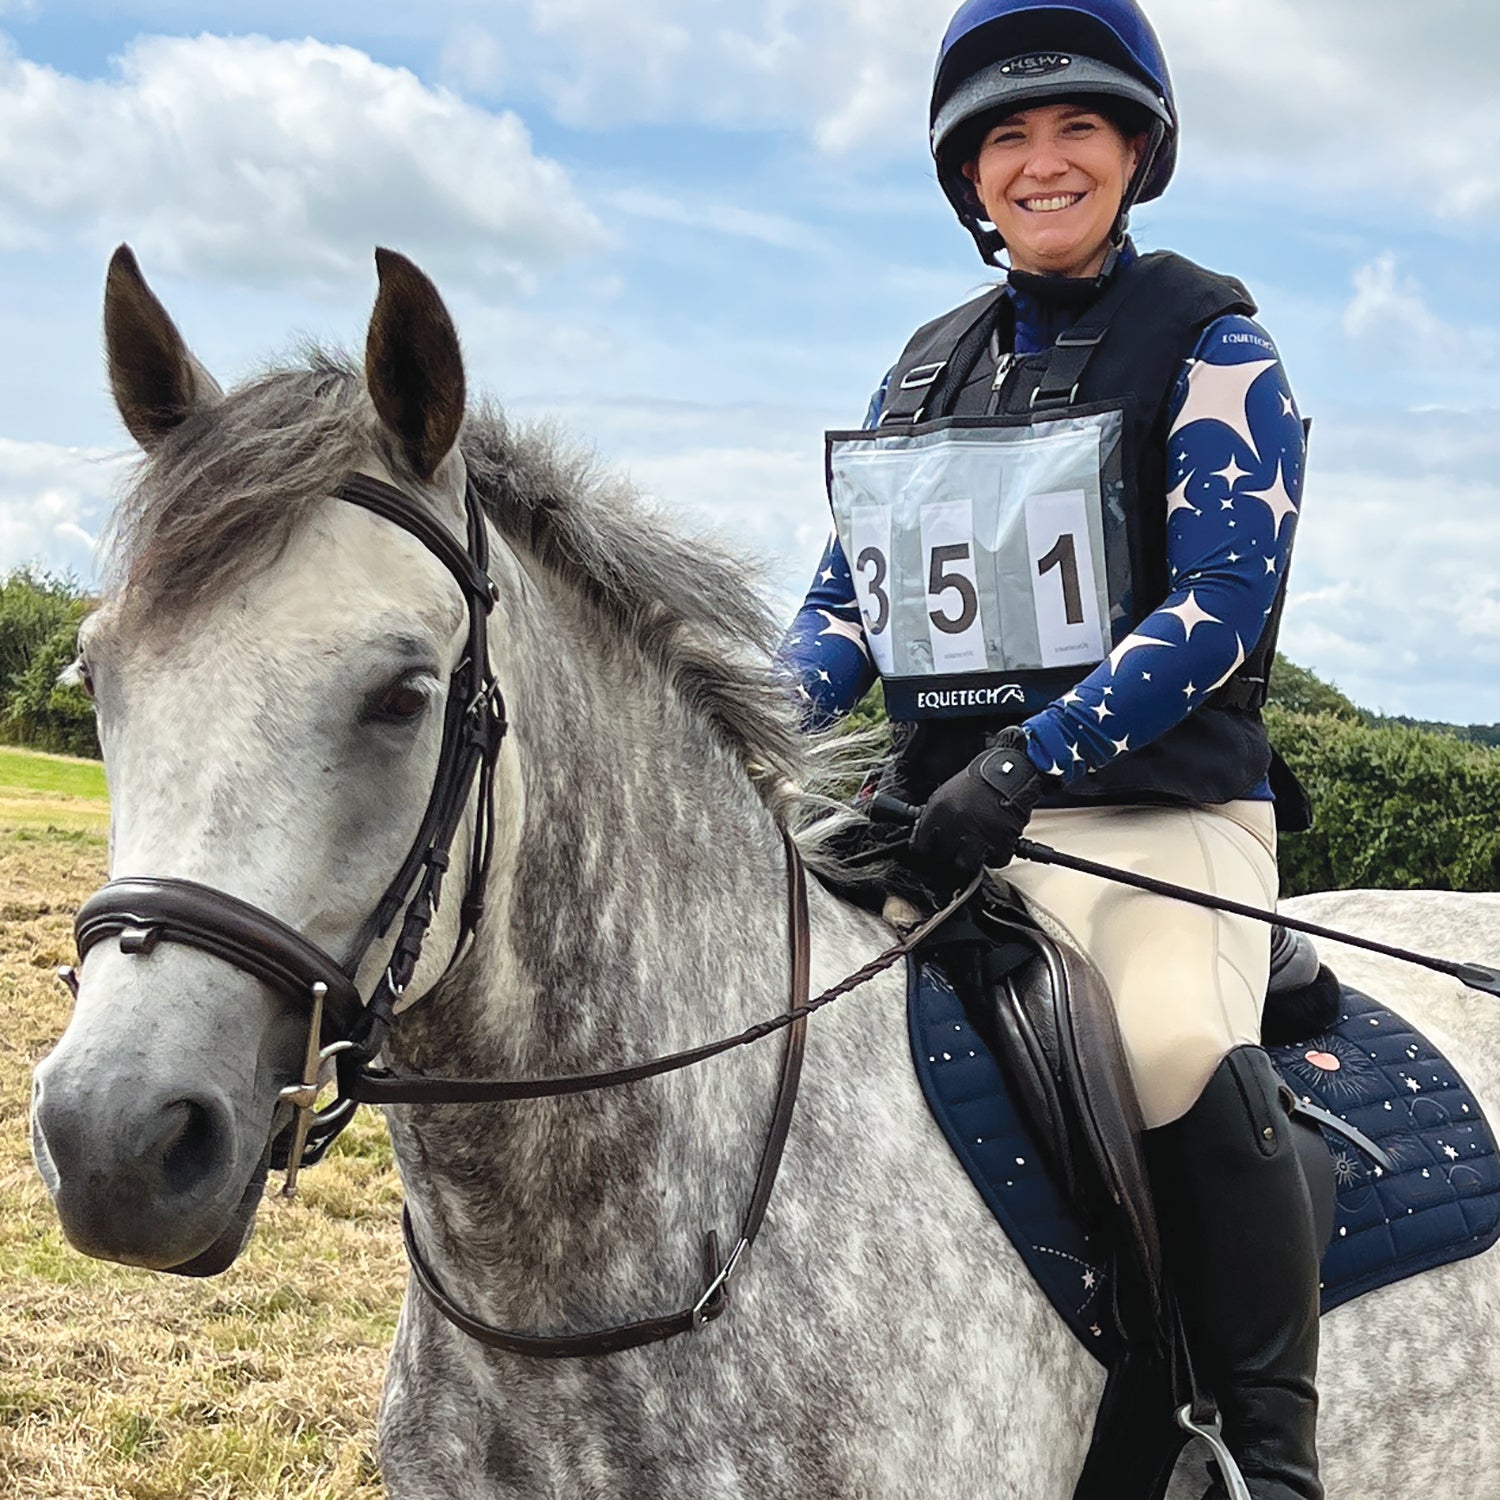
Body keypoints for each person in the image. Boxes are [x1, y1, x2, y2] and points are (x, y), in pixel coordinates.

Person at [780, 2, 1322, 1497]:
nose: (1042, 161)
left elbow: (1219, 605)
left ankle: (1260, 1446)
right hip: (932, 826)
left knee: (1166, 1049)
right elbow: (852, 607)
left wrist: (1028, 763)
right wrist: (753, 722)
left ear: (1136, 148)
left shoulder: (1215, 344)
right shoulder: (920, 368)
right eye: (1006, 137)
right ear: (968, 176)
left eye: (1076, 126)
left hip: (1154, 820)